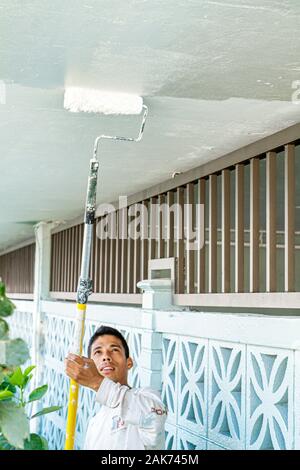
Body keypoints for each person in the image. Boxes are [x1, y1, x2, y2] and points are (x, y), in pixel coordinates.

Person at [65, 325, 167, 450]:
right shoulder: (94, 424)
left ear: (129, 362)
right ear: (90, 364)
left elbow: (154, 419)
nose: (106, 356)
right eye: (98, 352)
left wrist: (97, 382)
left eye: (114, 350)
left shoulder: (147, 397)